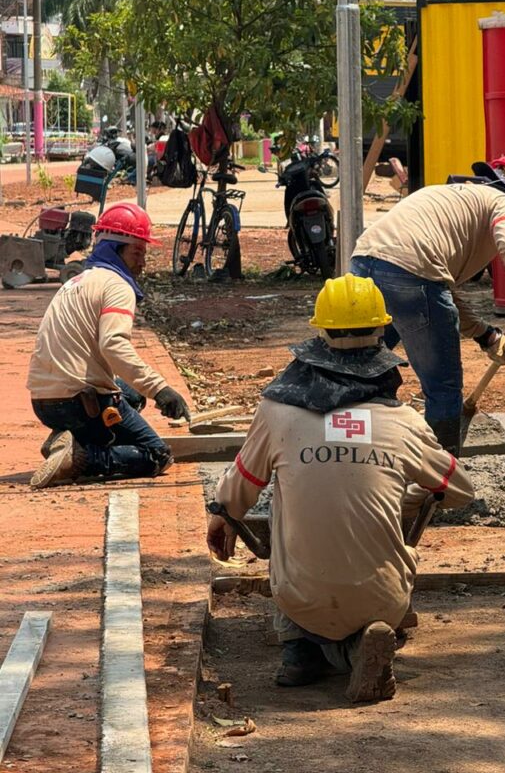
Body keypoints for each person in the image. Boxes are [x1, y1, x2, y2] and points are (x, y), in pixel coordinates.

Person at [207, 274, 474, 703]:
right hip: (383, 596)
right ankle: (361, 644)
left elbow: (235, 493)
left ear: (321, 333)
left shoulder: (278, 412)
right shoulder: (402, 422)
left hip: (299, 596)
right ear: (382, 333)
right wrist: (411, 496)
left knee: (283, 507)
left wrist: (220, 514)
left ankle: (299, 651)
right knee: (402, 509)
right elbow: (459, 490)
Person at [350, 151, 505, 455]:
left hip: (364, 263)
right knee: (443, 388)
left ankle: (346, 453)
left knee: (357, 367)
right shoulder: (503, 203)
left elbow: (434, 289)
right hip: (410, 275)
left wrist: (485, 335)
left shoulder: (455, 199)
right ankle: (440, 481)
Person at [27, 202, 190, 489]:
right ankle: (82, 456)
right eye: (137, 252)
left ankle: (68, 438)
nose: (142, 262)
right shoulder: (117, 286)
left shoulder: (77, 281)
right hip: (79, 401)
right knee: (156, 455)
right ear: (115, 250)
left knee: (133, 396)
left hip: (45, 402)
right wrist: (161, 390)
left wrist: (145, 391)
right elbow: (114, 346)